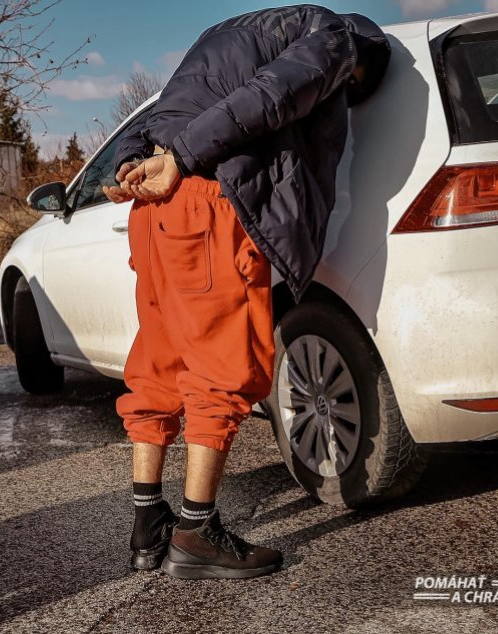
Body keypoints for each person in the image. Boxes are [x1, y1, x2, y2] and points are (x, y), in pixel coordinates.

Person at [102, 5, 390, 580]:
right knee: (223, 367)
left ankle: (147, 525)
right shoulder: (336, 37)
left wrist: (126, 163)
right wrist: (183, 157)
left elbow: (154, 115)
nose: (345, 91)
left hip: (152, 212)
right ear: (362, 55)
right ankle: (196, 532)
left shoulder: (220, 37)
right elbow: (275, 95)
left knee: (158, 362)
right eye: (351, 87)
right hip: (205, 201)